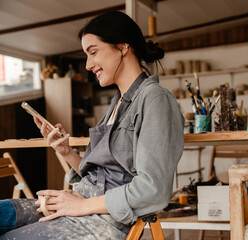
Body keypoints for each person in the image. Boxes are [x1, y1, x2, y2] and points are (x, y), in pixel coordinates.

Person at [0, 11, 184, 239]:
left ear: (123, 46)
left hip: (103, 220)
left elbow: (153, 190)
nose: (88, 65)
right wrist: (66, 152)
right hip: (79, 204)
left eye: (93, 52)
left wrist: (81, 206)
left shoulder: (155, 99)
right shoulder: (117, 102)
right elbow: (101, 176)